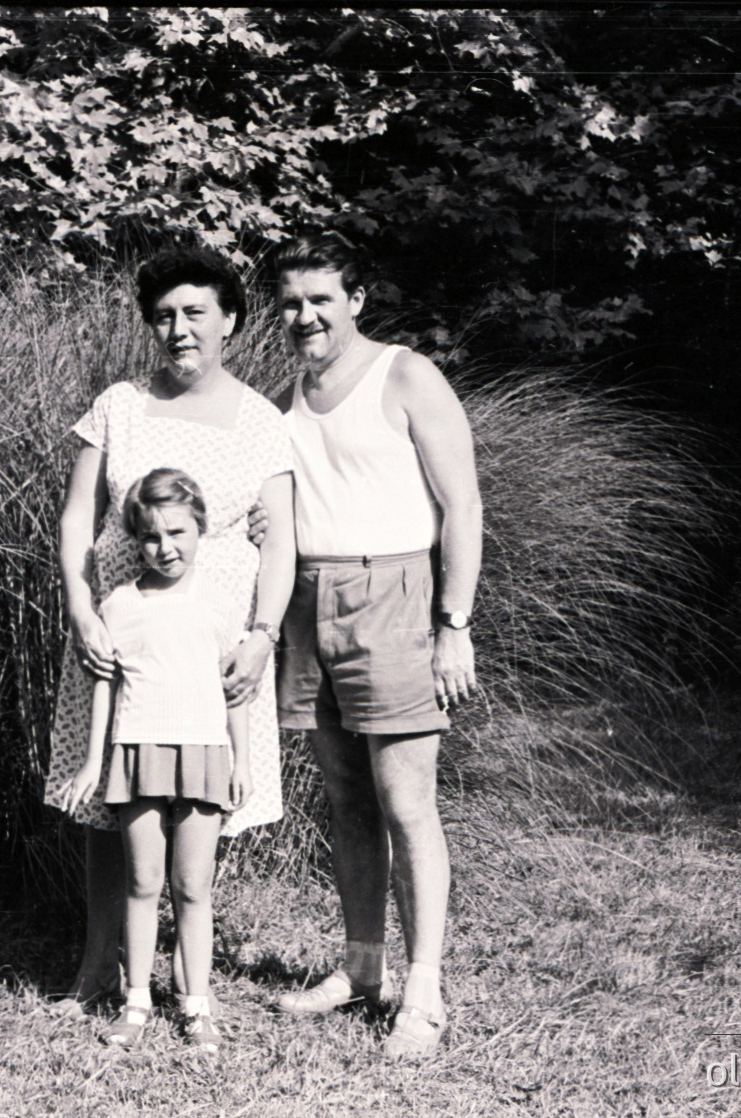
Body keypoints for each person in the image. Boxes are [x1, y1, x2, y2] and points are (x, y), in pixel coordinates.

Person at [43, 246, 296, 1018]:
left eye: (195, 313)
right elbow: (76, 517)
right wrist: (82, 610)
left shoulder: (260, 419)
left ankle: (188, 981)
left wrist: (262, 635)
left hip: (217, 647)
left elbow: (281, 538)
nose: (179, 330)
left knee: (195, 805)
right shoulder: (117, 405)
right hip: (119, 632)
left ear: (229, 320)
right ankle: (97, 968)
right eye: (164, 316)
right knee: (109, 803)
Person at [269, 231, 482, 1059]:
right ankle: (362, 968)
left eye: (321, 298)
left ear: (356, 300)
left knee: (406, 802)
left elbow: (461, 504)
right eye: (291, 302)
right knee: (346, 801)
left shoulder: (406, 374)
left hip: (392, 595)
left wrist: (453, 625)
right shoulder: (290, 390)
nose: (305, 315)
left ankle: (422, 990)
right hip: (308, 602)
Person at [54, 469, 249, 1050]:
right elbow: (105, 690)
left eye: (179, 533)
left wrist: (241, 761)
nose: (167, 548)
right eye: (151, 538)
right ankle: (135, 1001)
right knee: (142, 881)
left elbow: (232, 689)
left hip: (205, 753)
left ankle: (197, 1007)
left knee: (193, 886)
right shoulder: (118, 604)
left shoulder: (219, 602)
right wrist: (93, 763)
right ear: (135, 541)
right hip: (137, 753)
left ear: (201, 529)